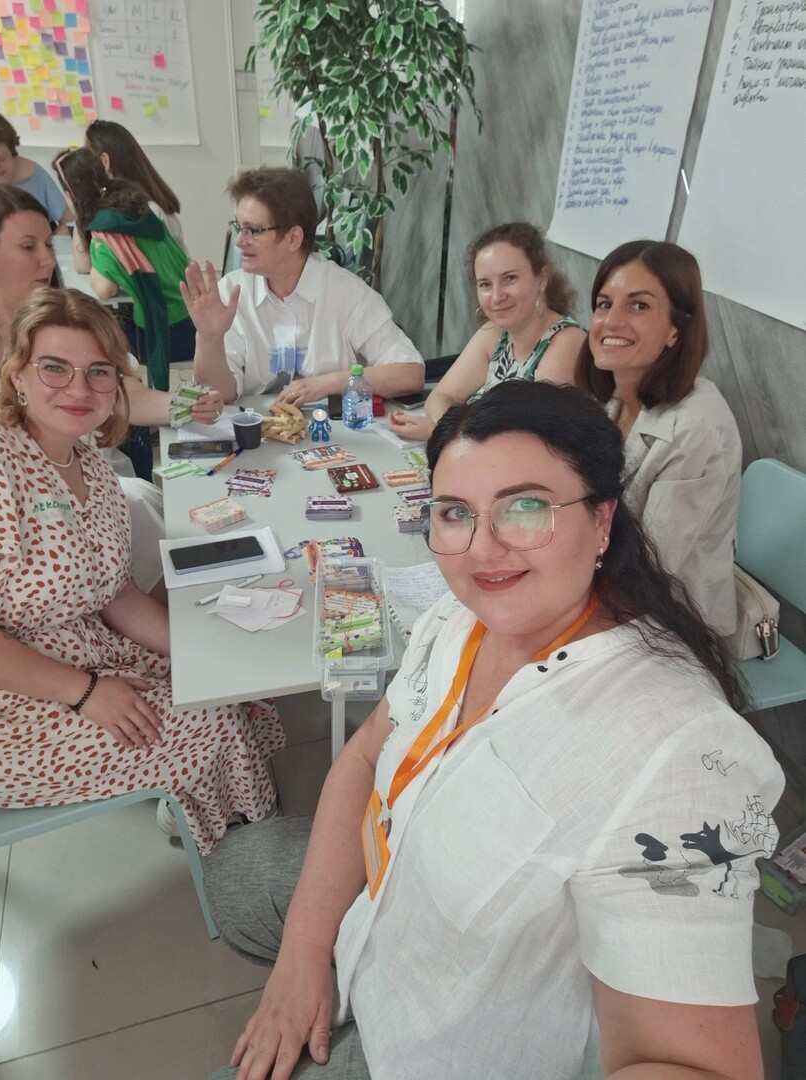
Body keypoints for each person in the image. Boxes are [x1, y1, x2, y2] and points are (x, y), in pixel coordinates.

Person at [202, 379, 782, 1080]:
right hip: (389, 901)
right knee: (233, 874)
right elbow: (365, 754)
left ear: (602, 521)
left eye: (526, 508)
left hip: (436, 1044)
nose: (482, 550)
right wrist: (302, 955)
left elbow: (698, 1065)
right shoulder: (459, 618)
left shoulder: (676, 751)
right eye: (455, 514)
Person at [0, 288, 285, 853]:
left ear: (116, 386)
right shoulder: (2, 465)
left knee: (232, 686)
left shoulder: (93, 468)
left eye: (98, 372)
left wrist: (199, 649)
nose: (78, 389)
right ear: (18, 376)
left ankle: (209, 809)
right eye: (54, 368)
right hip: (18, 699)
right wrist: (87, 693)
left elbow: (117, 595)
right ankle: (240, 850)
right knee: (210, 723)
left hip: (87, 651)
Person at [0, 183, 223, 592]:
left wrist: (187, 404)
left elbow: (124, 395)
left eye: (48, 243)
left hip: (95, 487)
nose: (48, 259)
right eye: (29, 247)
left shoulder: (68, 315)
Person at [576, 239, 741, 637]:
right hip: (603, 585)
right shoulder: (612, 400)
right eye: (604, 304)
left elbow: (650, 569)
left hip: (674, 622)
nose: (611, 321)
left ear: (675, 329)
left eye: (639, 305)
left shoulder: (696, 427)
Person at [180, 166, 425, 406]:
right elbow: (218, 395)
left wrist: (328, 383)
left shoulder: (345, 292)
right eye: (239, 227)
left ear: (293, 238)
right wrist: (208, 339)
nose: (240, 241)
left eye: (252, 230)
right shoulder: (231, 291)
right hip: (258, 430)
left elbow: (410, 373)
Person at [388, 221, 586, 442]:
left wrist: (445, 431)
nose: (497, 296)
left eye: (510, 278)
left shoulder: (566, 341)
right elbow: (440, 397)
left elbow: (530, 435)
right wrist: (446, 428)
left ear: (542, 278)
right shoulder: (495, 332)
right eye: (485, 284)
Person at [54, 147, 194, 391]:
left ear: (70, 194)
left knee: (91, 336)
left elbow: (103, 289)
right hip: (192, 320)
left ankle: (128, 405)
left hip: (168, 334)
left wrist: (82, 219)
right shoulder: (139, 207)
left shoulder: (106, 233)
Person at [84, 118, 187, 252]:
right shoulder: (136, 205)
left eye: (87, 157)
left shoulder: (144, 212)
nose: (84, 166)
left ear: (104, 161)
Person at [0, 113, 72, 232]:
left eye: (2, 159)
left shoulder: (35, 175)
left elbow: (69, 221)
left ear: (12, 152)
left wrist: (50, 238)